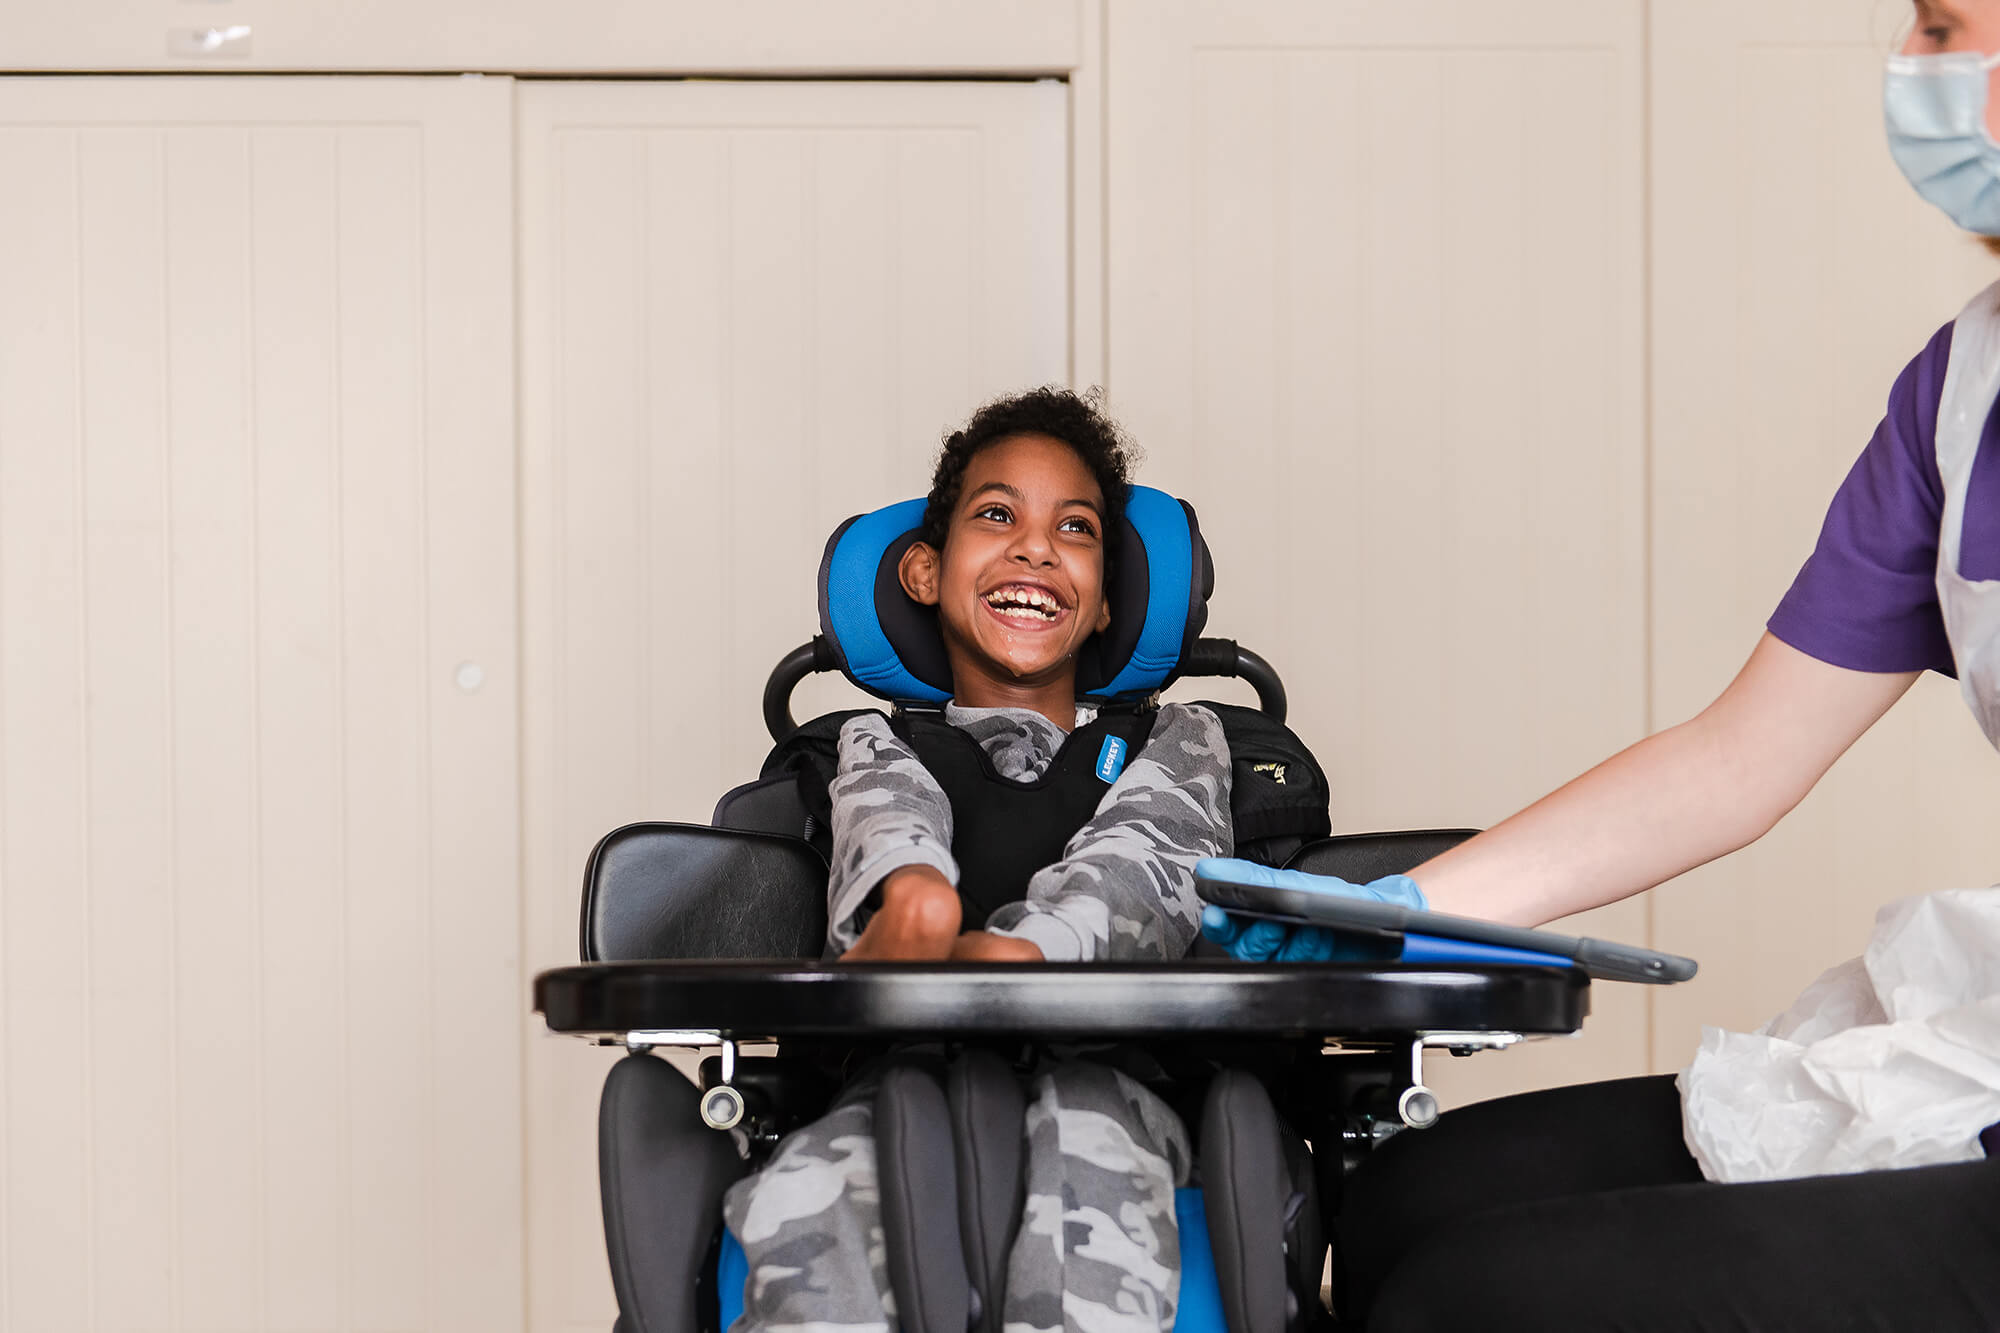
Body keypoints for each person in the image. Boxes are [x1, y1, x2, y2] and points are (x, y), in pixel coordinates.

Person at [1198, 2, 2000, 1327]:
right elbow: (1739, 758)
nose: (1904, 66)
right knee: (1405, 1201)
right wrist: (1405, 909)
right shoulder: (1959, 391)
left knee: (1479, 1300)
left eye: (1938, 26)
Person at [723, 389, 1234, 1333]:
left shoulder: (1181, 737)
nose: (1035, 548)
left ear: (1107, 601)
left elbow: (1148, 863)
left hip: (1116, 1076)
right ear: (924, 570)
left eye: (1074, 528)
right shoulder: (873, 743)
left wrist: (1021, 954)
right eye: (997, 515)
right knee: (810, 1188)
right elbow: (889, 822)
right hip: (908, 1067)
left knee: (1084, 1149)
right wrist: (913, 898)